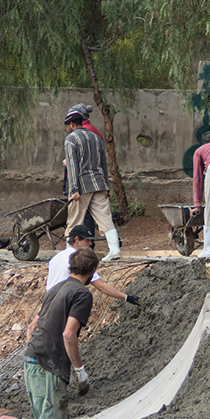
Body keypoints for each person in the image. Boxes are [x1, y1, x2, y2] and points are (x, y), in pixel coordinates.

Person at [22, 247, 99, 419]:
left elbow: (33, 325)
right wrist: (80, 371)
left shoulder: (56, 288)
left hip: (32, 360)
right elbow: (69, 335)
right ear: (91, 272)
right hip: (49, 364)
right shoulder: (81, 294)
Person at [63, 106, 121, 261]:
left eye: (67, 126)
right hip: (100, 184)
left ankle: (68, 254)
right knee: (105, 218)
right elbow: (104, 164)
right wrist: (107, 186)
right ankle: (115, 250)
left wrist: (74, 188)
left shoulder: (71, 139)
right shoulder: (96, 138)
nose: (67, 129)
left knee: (74, 220)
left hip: (82, 187)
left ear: (72, 124)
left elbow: (73, 166)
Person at [47, 225, 140, 306]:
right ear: (77, 239)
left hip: (48, 301)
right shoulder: (79, 259)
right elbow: (101, 287)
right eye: (87, 240)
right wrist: (127, 297)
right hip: (64, 301)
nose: (90, 243)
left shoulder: (55, 258)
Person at [63, 104, 101, 237]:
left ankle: (81, 247)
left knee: (83, 217)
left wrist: (74, 188)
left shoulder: (84, 133)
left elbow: (86, 157)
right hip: (94, 182)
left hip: (84, 182)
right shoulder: (91, 131)